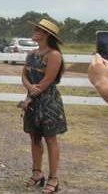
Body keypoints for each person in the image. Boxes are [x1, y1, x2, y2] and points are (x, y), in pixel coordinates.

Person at [20, 19, 66, 194]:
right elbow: (24, 75)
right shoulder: (31, 54)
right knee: (34, 138)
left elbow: (47, 81)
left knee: (50, 139)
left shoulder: (54, 55)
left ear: (47, 34)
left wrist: (31, 95)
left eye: (38, 29)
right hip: (32, 98)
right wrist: (29, 88)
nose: (34, 31)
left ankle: (54, 178)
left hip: (48, 103)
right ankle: (37, 172)